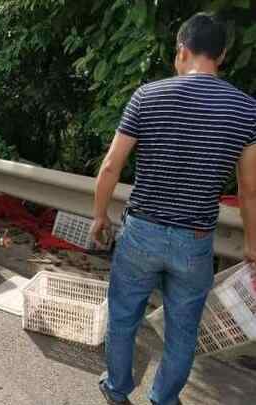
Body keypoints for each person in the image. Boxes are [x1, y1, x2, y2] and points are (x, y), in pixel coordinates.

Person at [89, 13, 256, 405]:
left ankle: (116, 389)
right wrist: (252, 244)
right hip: (195, 242)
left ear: (182, 50)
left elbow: (111, 166)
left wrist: (99, 215)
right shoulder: (246, 110)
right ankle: (163, 399)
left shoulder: (148, 96)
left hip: (142, 232)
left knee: (124, 316)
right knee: (184, 330)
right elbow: (249, 188)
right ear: (223, 54)